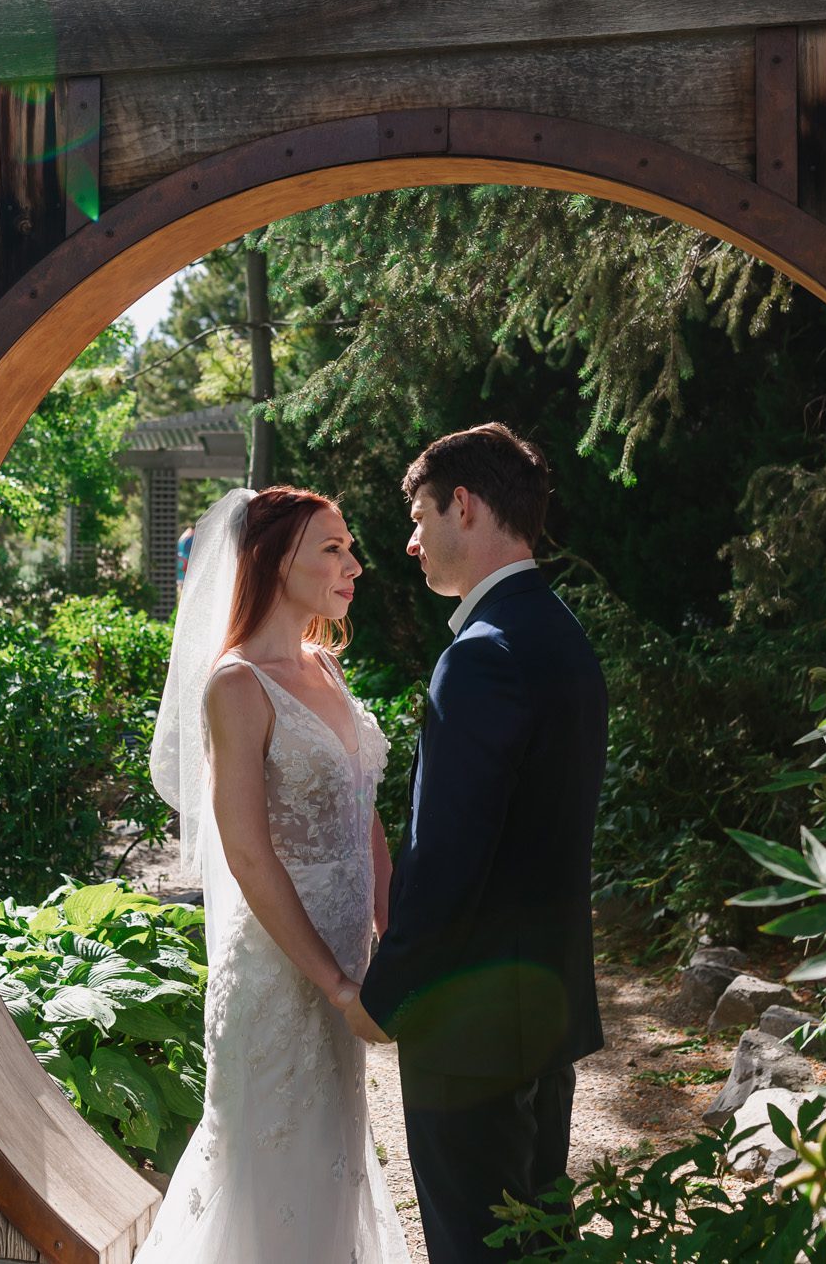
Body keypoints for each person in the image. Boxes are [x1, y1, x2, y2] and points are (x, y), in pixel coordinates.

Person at [348, 424, 609, 1263]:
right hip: (546, 1012)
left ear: (465, 504)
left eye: (422, 515)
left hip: (473, 1030)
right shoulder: (561, 635)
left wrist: (381, 996)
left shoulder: (482, 656)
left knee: (477, 1250)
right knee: (535, 1243)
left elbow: (447, 859)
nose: (412, 540)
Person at [139, 485, 412, 1264]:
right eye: (332, 547)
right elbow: (247, 851)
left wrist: (394, 931)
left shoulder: (326, 666)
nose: (354, 563)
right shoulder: (237, 686)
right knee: (270, 1171)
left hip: (350, 964)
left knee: (334, 1160)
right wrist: (333, 983)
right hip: (281, 971)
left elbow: (363, 810)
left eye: (349, 547)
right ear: (272, 559)